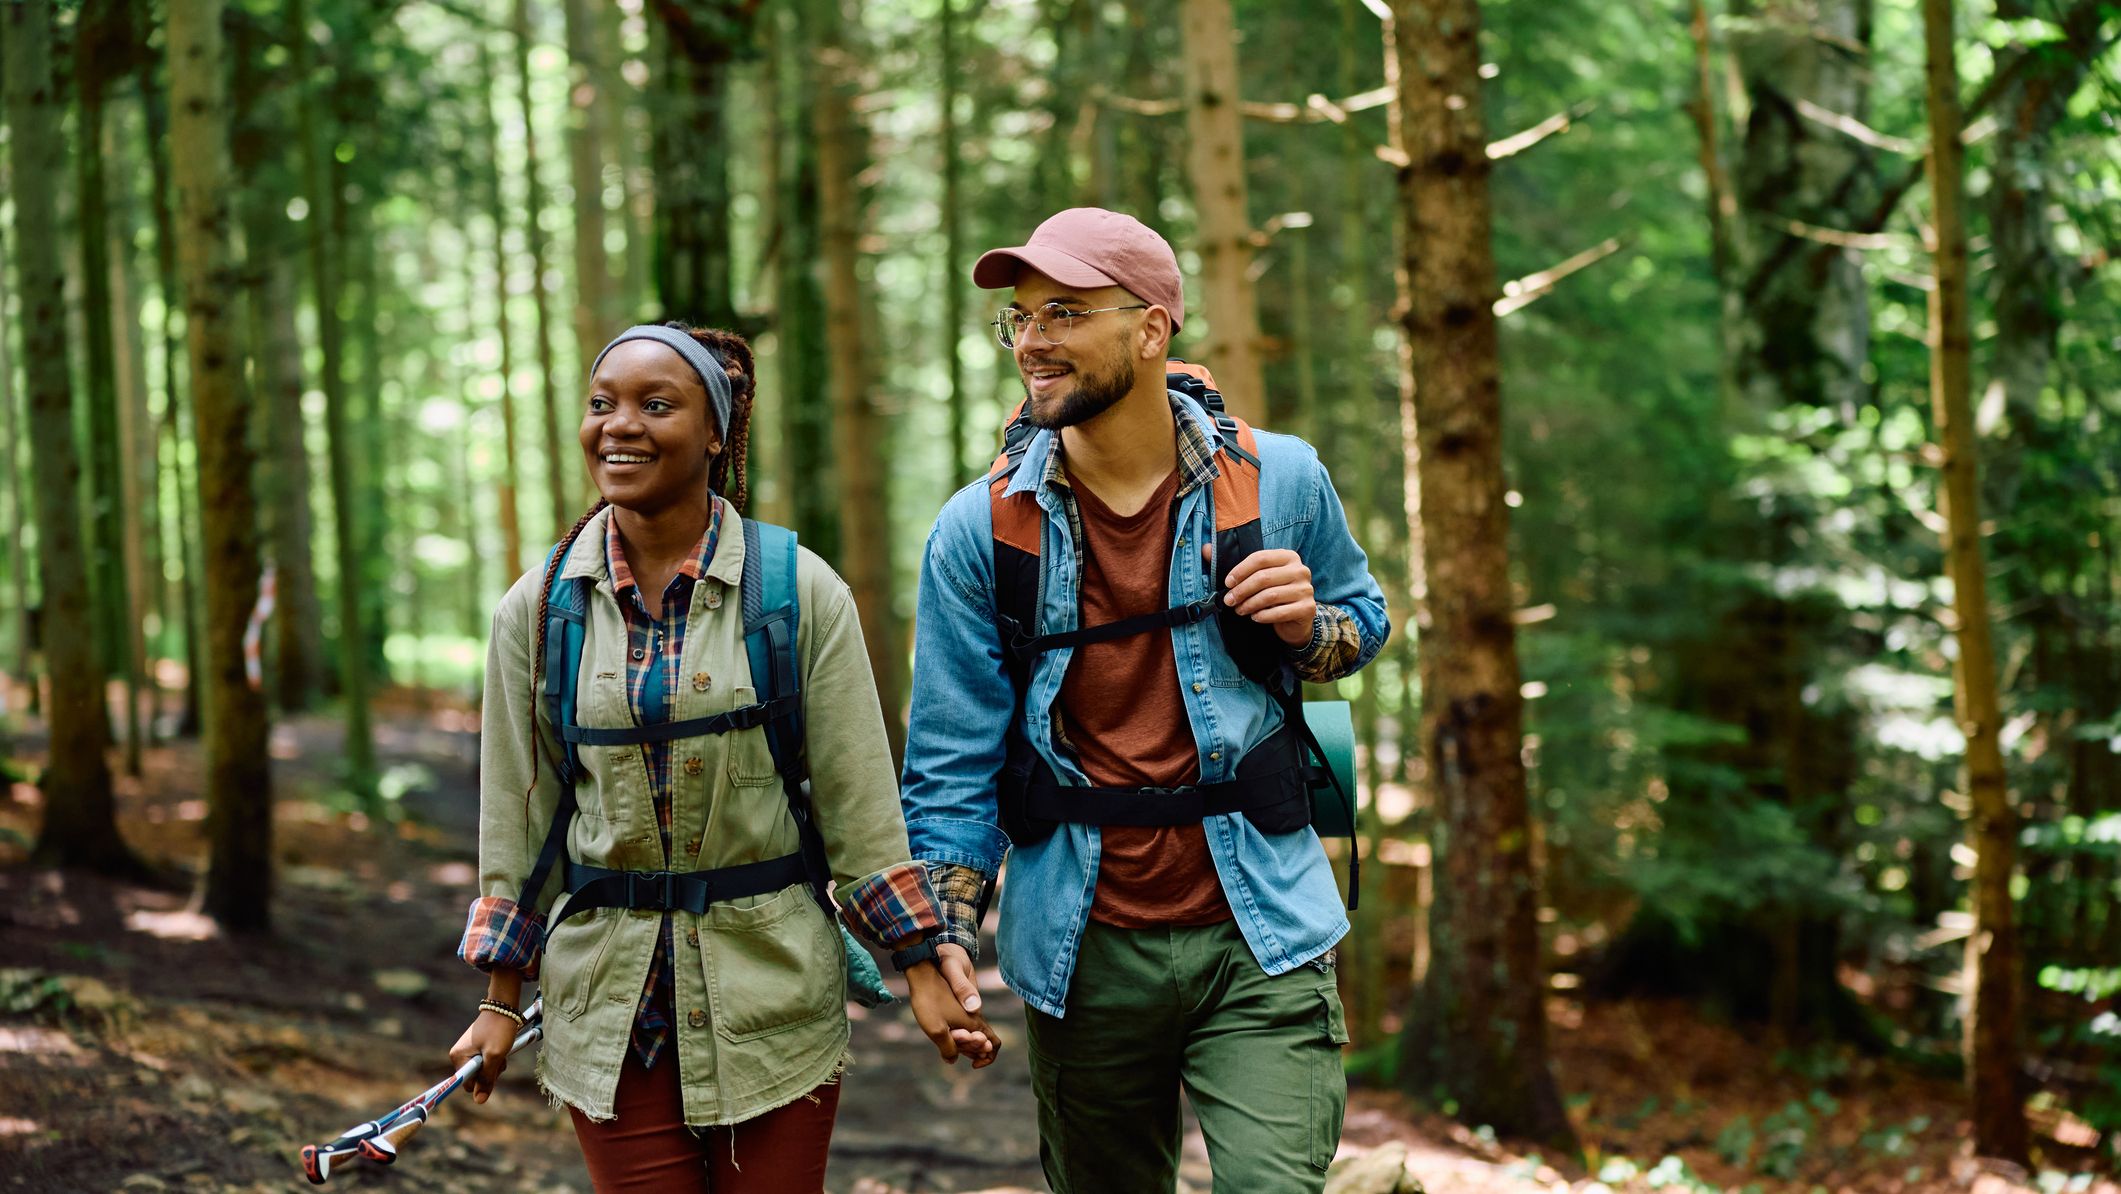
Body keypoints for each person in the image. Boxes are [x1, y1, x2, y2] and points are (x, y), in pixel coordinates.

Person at [901, 208, 1390, 1192]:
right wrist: (941, 944)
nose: (1033, 339)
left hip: (1262, 930)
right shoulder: (979, 532)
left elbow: (1362, 622)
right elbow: (952, 770)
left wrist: (1307, 630)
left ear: (1151, 327)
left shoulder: (1280, 477)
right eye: (1021, 317)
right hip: (1082, 951)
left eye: (1066, 313)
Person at [449, 322, 993, 1194]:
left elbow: (861, 808)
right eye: (602, 404)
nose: (619, 425)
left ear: (716, 433)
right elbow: (516, 827)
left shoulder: (795, 591)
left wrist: (924, 966)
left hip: (772, 1001)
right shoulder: (540, 607)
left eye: (654, 405)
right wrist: (497, 1003)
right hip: (605, 1009)